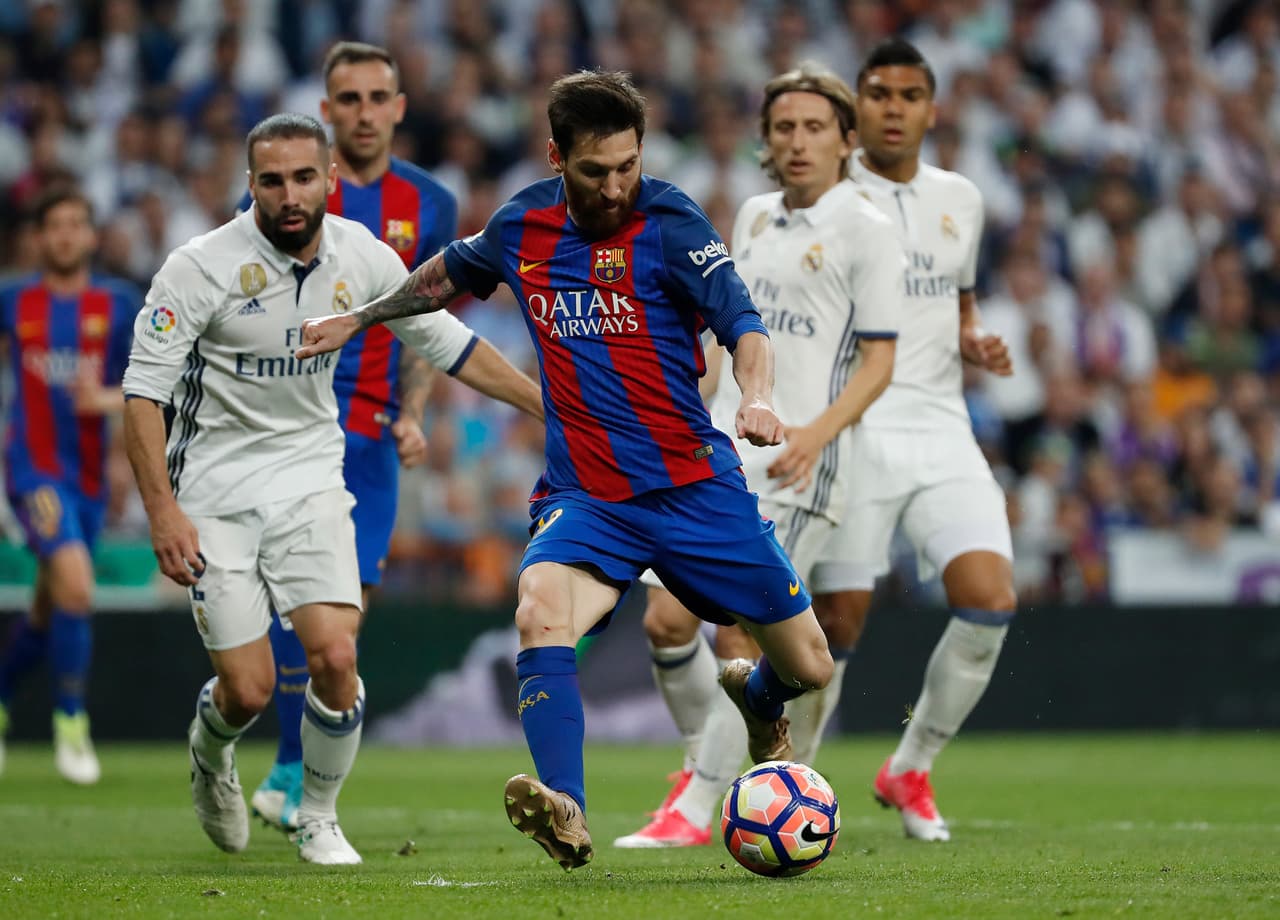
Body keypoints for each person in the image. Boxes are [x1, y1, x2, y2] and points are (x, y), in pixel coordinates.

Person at [295, 70, 836, 872]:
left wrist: (757, 398)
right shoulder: (523, 226)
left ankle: (758, 701)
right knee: (539, 610)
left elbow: (743, 324)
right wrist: (359, 318)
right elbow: (446, 274)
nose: (616, 186)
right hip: (588, 496)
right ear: (557, 157)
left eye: (628, 166)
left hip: (693, 487)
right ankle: (567, 807)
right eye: (595, 171)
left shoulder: (672, 220)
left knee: (808, 666)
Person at [121, 113, 541, 865]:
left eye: (304, 178)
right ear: (250, 184)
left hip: (312, 475)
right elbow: (143, 395)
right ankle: (211, 746)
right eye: (273, 180)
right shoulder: (198, 267)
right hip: (214, 490)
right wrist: (162, 511)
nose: (290, 194)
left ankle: (317, 813)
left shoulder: (362, 256)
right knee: (247, 691)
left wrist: (551, 407)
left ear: (330, 180)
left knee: (337, 655)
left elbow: (446, 344)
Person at [613, 64, 904, 848]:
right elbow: (726, 332)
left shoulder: (870, 229)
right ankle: (705, 768)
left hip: (804, 455)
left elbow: (879, 361)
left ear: (847, 138)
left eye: (815, 127)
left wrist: (814, 434)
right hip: (719, 448)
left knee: (763, 630)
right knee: (668, 620)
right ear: (766, 139)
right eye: (784, 127)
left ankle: (703, 807)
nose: (798, 141)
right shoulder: (751, 217)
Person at [245, 41, 461, 836]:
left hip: (369, 435)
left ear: (400, 107)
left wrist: (414, 410)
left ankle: (290, 770)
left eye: (378, 96)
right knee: (298, 610)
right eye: (349, 98)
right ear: (326, 109)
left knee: (345, 618)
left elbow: (426, 320)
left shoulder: (430, 203)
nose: (365, 111)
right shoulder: (291, 198)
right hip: (289, 427)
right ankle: (293, 770)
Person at [807, 38, 1017, 842]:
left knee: (990, 598)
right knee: (838, 625)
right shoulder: (827, 197)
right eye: (879, 94)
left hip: (942, 426)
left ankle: (911, 766)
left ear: (932, 109)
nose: (893, 108)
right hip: (854, 427)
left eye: (909, 95)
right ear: (856, 106)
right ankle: (796, 780)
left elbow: (956, 303)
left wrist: (974, 339)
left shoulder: (960, 198)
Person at [0, 187, 137, 785]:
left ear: (91, 236)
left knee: (47, 608)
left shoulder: (120, 303)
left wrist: (104, 399)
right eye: (53, 225)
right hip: (33, 472)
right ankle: (72, 726)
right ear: (39, 237)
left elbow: (149, 385)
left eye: (75, 225)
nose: (63, 235)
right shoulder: (12, 300)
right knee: (78, 588)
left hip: (88, 480)